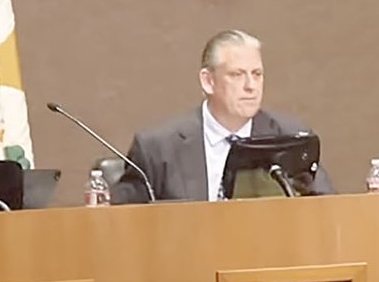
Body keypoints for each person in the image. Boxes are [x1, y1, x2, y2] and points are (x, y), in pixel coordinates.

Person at [113, 29, 334, 203]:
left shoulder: (289, 138)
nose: (251, 86)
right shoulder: (158, 148)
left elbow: (325, 209)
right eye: (237, 75)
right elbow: (124, 224)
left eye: (257, 75)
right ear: (208, 81)